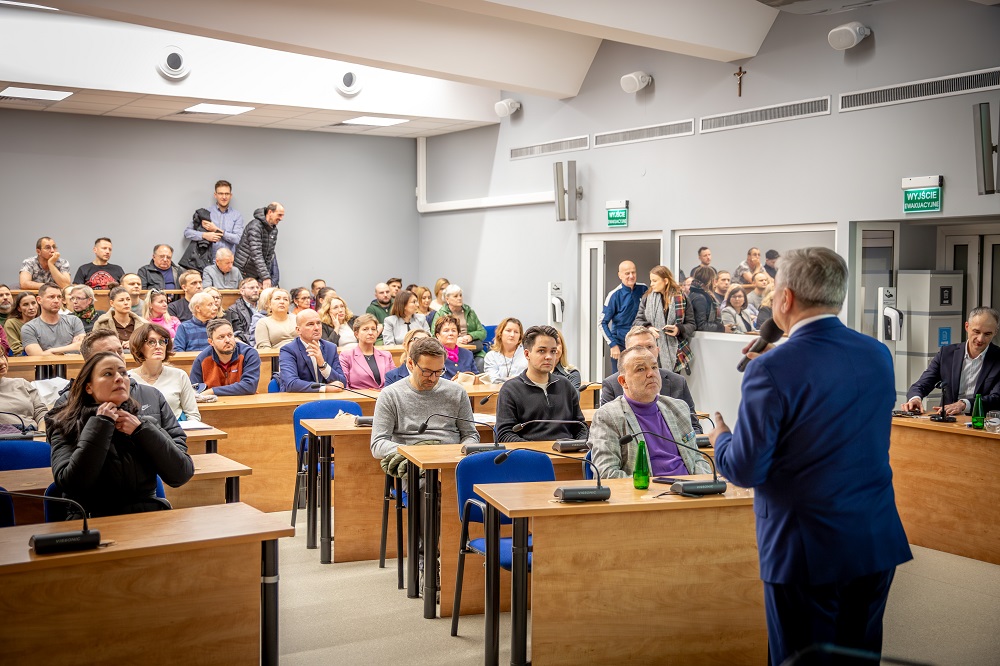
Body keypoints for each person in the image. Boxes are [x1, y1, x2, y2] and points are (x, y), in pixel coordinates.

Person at [710, 247, 912, 666]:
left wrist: (721, 438)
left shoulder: (770, 369)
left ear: (784, 300)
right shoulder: (877, 354)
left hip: (805, 549)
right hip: (874, 540)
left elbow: (745, 468)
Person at [370, 336, 479, 579]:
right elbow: (378, 444)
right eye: (427, 372)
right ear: (410, 364)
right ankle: (427, 562)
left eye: (439, 372)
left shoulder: (456, 393)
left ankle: (465, 561)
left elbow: (471, 435)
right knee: (428, 490)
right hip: (417, 467)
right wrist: (415, 453)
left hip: (452, 463)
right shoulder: (390, 395)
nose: (433, 378)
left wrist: (461, 451)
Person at [46, 350, 194, 518]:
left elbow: (181, 474)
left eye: (123, 372)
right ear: (89, 387)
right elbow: (72, 484)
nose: (119, 378)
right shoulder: (65, 425)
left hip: (146, 519)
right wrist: (101, 425)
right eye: (108, 373)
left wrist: (141, 431)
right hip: (91, 520)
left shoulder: (142, 423)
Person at [589, 346, 710, 479]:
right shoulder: (608, 416)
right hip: (647, 495)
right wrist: (652, 489)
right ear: (623, 381)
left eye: (654, 367)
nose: (651, 373)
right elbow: (607, 474)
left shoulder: (678, 407)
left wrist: (703, 483)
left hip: (689, 492)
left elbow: (697, 459)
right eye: (641, 369)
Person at [495, 325, 588, 443]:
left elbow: (581, 427)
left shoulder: (565, 385)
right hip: (530, 457)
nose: (549, 357)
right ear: (527, 354)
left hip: (568, 455)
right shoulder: (510, 390)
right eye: (541, 351)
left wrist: (578, 445)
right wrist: (537, 452)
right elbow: (505, 435)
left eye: (553, 351)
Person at [600, 326, 702, 433]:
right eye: (638, 348)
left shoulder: (678, 382)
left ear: (657, 350)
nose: (645, 352)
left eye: (650, 346)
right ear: (626, 353)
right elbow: (607, 428)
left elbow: (694, 427)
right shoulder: (612, 384)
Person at [902, 307, 1000, 415]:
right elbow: (922, 384)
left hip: (984, 424)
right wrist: (915, 398)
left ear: (995, 332)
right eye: (976, 332)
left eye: (987, 334)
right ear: (967, 327)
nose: (980, 339)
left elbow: (996, 398)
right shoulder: (947, 353)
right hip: (949, 422)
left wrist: (964, 404)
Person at [128, 323, 201, 421]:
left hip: (175, 432)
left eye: (162, 341)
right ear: (139, 346)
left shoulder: (179, 375)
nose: (158, 346)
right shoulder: (128, 378)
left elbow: (193, 415)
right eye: (151, 342)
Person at [633, 265, 696, 375]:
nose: (651, 284)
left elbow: (691, 324)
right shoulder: (647, 298)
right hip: (650, 350)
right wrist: (649, 328)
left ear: (665, 280)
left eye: (654, 281)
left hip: (676, 352)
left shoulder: (682, 298)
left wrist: (678, 329)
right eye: (651, 281)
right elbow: (637, 321)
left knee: (672, 386)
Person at [277, 309, 347, 392]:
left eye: (318, 323)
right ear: (298, 330)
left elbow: (342, 382)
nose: (316, 328)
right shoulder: (288, 350)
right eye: (310, 324)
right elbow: (291, 383)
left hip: (327, 399)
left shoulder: (331, 348)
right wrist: (325, 388)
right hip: (299, 401)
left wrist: (322, 365)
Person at [190, 318, 261, 397]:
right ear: (211, 342)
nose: (227, 340)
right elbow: (194, 391)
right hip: (214, 406)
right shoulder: (201, 360)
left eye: (230, 335)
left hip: (245, 405)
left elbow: (249, 386)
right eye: (221, 337)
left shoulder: (249, 354)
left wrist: (212, 391)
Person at [599, 260, 648, 373]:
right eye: (627, 273)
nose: (631, 276)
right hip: (620, 344)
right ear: (620, 275)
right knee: (620, 379)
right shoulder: (614, 295)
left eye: (633, 272)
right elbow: (602, 322)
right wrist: (612, 344)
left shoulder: (644, 289)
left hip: (639, 343)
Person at [429, 284, 487, 365]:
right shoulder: (440, 313)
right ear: (447, 299)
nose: (459, 298)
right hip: (449, 350)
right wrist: (455, 340)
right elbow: (434, 336)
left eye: (460, 295)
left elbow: (482, 332)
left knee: (481, 362)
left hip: (473, 349)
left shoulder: (470, 312)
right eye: (455, 296)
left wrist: (470, 336)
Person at [184, 179, 244, 256]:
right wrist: (205, 235)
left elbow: (237, 239)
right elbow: (187, 233)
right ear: (215, 195)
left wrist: (216, 230)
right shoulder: (205, 213)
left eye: (227, 194)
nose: (224, 197)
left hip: (227, 262)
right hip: (206, 261)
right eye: (221, 193)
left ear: (230, 195)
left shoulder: (237, 215)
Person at [23, 283, 85, 356]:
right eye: (51, 297)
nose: (56, 301)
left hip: (74, 367)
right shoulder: (29, 328)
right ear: (39, 300)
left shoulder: (74, 320)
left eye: (59, 297)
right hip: (46, 367)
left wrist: (52, 351)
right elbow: (38, 356)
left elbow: (82, 346)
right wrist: (68, 352)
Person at [339, 313, 395, 389]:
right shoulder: (346, 356)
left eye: (373, 329)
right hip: (359, 399)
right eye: (365, 329)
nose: (370, 333)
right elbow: (345, 385)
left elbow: (395, 381)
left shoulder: (386, 355)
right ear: (356, 334)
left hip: (385, 398)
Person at [234, 201, 283, 289]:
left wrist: (261, 279)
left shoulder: (274, 230)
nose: (281, 218)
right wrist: (265, 277)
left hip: (257, 272)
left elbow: (269, 257)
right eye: (279, 215)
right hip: (243, 271)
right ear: (270, 212)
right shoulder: (255, 226)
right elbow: (256, 254)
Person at [0, 353, 47, 429]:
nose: (1, 362)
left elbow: (41, 412)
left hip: (32, 435)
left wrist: (41, 432)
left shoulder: (22, 383)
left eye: (1, 356)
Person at [92, 286, 146, 351]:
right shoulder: (102, 323)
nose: (126, 303)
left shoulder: (142, 323)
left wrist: (134, 343)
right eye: (121, 300)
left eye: (128, 299)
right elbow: (95, 344)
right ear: (112, 303)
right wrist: (119, 343)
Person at [483, 317, 527, 384]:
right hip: (498, 392)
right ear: (500, 333)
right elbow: (493, 380)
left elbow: (530, 378)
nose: (512, 335)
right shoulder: (491, 356)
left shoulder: (527, 353)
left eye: (516, 332)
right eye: (508, 331)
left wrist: (505, 380)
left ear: (520, 336)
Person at [688, 266, 727, 333]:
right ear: (710, 280)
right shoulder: (700, 298)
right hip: (700, 339)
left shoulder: (695, 294)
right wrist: (722, 328)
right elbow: (701, 326)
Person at [225, 277, 260, 344]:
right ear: (242, 291)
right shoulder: (233, 309)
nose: (256, 290)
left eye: (257, 287)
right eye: (251, 288)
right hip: (248, 343)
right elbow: (238, 333)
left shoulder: (266, 306)